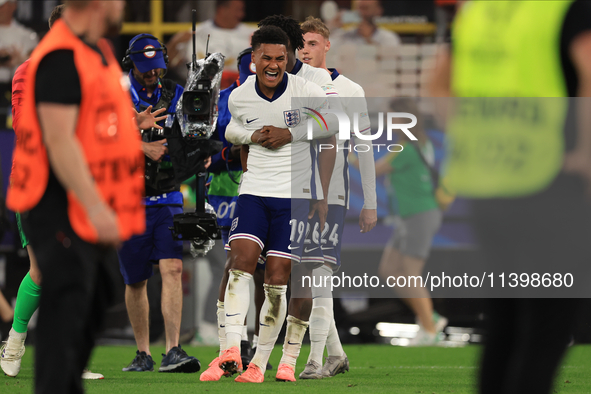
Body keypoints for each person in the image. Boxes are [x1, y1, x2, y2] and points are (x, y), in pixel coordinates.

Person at [430, 1, 591, 393]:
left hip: (492, 187)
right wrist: (585, 155)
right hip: (553, 182)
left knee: (505, 323)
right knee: (546, 329)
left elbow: (435, 84)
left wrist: (473, 140)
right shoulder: (563, 10)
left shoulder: (479, 11)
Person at [5, 1, 145, 392]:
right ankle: (22, 350)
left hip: (87, 203)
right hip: (61, 203)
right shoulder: (60, 58)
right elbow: (57, 138)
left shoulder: (93, 54)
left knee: (93, 297)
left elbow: (98, 127)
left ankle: (64, 374)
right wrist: (97, 207)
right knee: (62, 307)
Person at [199, 15, 342, 383]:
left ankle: (268, 362)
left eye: (281, 58)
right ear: (254, 59)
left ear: (289, 58)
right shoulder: (241, 93)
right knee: (239, 261)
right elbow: (233, 129)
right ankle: (231, 348)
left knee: (282, 278)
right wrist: (249, 139)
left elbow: (332, 128)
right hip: (255, 192)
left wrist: (289, 134)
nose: (274, 64)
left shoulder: (307, 89)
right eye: (267, 58)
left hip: (297, 198)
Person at [1, 4, 102, 380]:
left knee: (79, 270)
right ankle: (14, 340)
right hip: (36, 184)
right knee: (43, 270)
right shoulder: (29, 71)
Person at [296, 16, 378, 379]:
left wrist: (370, 202)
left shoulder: (350, 90)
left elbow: (363, 148)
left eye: (312, 43)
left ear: (327, 46)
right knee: (301, 276)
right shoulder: (291, 87)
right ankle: (336, 354)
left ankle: (315, 361)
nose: (305, 50)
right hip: (294, 191)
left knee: (319, 273)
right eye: (300, 44)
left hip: (332, 192)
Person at [118, 33, 200, 373]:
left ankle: (172, 349)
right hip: (128, 198)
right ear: (131, 64)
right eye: (145, 68)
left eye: (156, 68)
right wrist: (141, 145)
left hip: (167, 195)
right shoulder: (116, 95)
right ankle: (142, 353)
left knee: (173, 267)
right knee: (136, 279)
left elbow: (193, 135)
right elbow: (99, 139)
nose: (152, 74)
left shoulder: (177, 94)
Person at [374, 99, 447, 347]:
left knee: (410, 273)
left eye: (392, 117)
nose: (388, 122)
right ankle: (431, 317)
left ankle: (429, 329)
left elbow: (375, 170)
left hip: (419, 215)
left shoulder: (405, 147)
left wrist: (347, 155)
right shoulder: (416, 142)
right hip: (411, 216)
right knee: (389, 270)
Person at [167, 0, 254, 87]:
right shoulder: (195, 33)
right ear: (222, 10)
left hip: (238, 89)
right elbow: (170, 63)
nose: (241, 15)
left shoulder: (252, 35)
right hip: (201, 91)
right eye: (238, 10)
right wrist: (174, 43)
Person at [0, 0, 38, 127]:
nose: (1, 10)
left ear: (13, 6)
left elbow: (37, 64)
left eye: (3, 6)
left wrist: (20, 59)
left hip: (16, 91)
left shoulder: (27, 36)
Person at [332, 0, 400, 47]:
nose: (361, 13)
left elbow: (389, 62)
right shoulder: (343, 35)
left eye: (366, 8)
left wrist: (368, 39)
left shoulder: (388, 38)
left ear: (378, 11)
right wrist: (331, 26)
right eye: (360, 8)